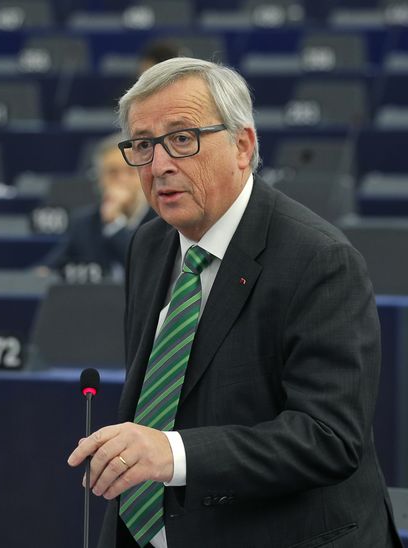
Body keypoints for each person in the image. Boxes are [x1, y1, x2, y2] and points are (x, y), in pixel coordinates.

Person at [67, 57, 401, 547]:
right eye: (143, 145)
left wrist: (174, 455)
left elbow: (329, 438)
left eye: (182, 138)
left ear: (243, 146)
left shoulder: (320, 259)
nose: (159, 164)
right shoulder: (150, 243)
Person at [40, 133, 155, 281]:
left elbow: (145, 267)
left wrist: (114, 224)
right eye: (113, 173)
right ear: (99, 180)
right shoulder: (85, 223)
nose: (122, 180)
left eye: (130, 171)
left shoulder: (164, 220)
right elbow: (50, 269)